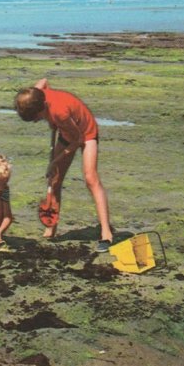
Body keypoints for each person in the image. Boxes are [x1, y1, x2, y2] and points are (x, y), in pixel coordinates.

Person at [14, 78, 112, 252]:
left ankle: (106, 232)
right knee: (55, 180)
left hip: (86, 133)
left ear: (42, 108)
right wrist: (51, 121)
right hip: (67, 132)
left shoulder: (59, 112)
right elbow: (43, 81)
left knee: (91, 179)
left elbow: (78, 140)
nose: (37, 121)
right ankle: (51, 226)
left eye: (37, 119)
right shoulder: (36, 93)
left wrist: (54, 162)